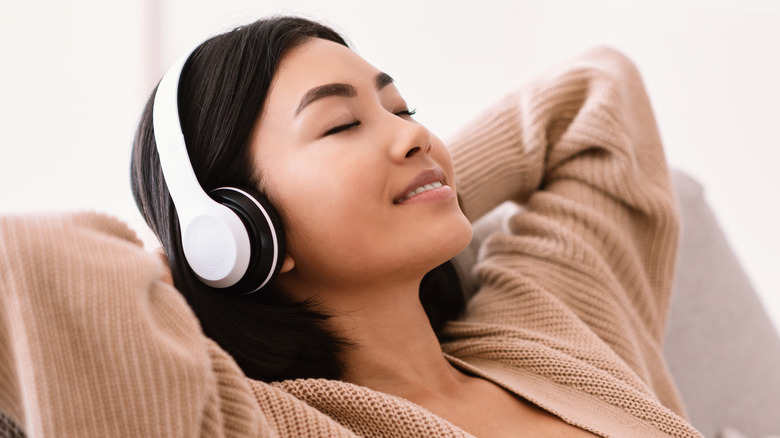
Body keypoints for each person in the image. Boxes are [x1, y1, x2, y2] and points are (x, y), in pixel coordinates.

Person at [129, 14, 694, 437]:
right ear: (239, 227)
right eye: (342, 125)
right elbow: (54, 280)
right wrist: (201, 263)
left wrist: (423, 189)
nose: (416, 135)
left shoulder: (545, 326)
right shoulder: (259, 420)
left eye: (402, 111)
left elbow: (598, 95)